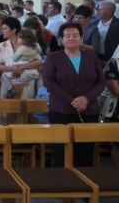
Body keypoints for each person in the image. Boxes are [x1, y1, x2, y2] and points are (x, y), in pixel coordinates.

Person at [43, 22, 106, 167]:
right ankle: (62, 184)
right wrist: (73, 101)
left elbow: (101, 82)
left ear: (81, 38)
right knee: (62, 151)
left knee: (86, 150)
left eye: (75, 35)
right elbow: (49, 82)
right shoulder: (53, 57)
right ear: (61, 39)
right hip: (61, 110)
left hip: (89, 110)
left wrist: (86, 99)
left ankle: (85, 185)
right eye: (67, 36)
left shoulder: (91, 57)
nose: (71, 38)